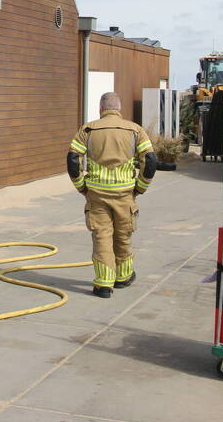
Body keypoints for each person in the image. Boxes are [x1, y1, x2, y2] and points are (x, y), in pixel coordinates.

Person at [66, 92, 156, 298]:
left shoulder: (87, 130)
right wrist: (140, 188)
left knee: (102, 237)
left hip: (96, 194)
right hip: (125, 194)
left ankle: (103, 284)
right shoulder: (135, 130)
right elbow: (150, 161)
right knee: (123, 235)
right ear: (119, 109)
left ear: (100, 109)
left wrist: (82, 187)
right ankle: (123, 277)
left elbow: (72, 160)